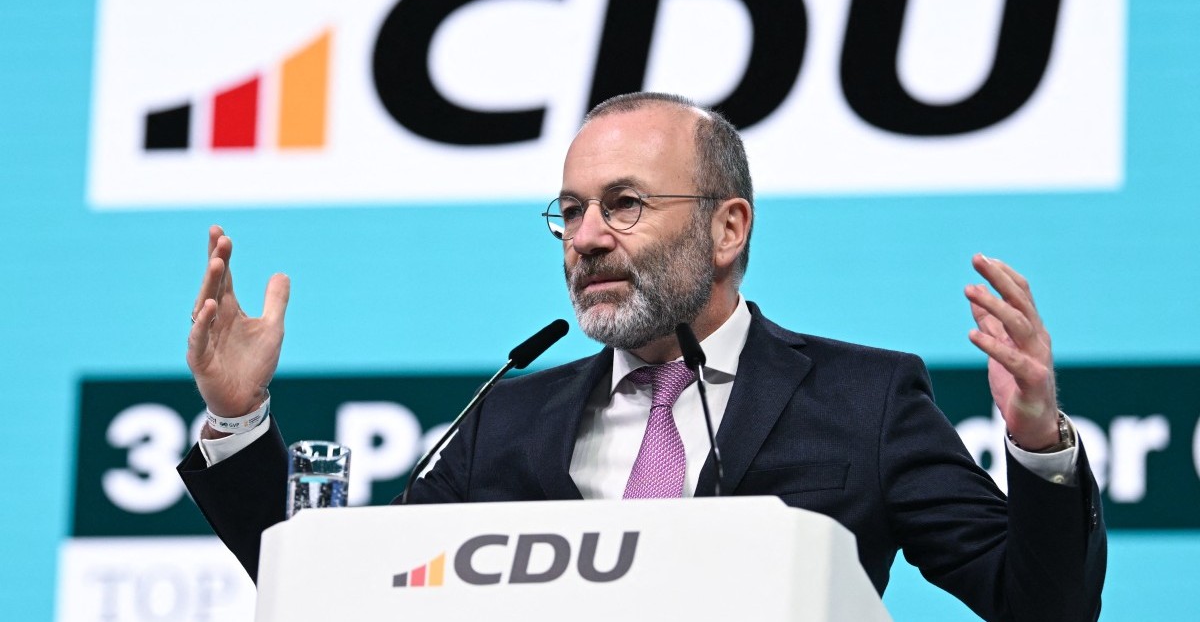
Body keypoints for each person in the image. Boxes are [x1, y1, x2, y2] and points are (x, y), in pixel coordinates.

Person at [179, 92, 1105, 620]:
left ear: (727, 226)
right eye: (570, 210)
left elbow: (1042, 607)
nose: (585, 238)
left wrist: (1037, 440)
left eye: (623, 203)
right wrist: (237, 420)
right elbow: (354, 595)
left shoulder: (865, 399)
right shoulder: (504, 418)